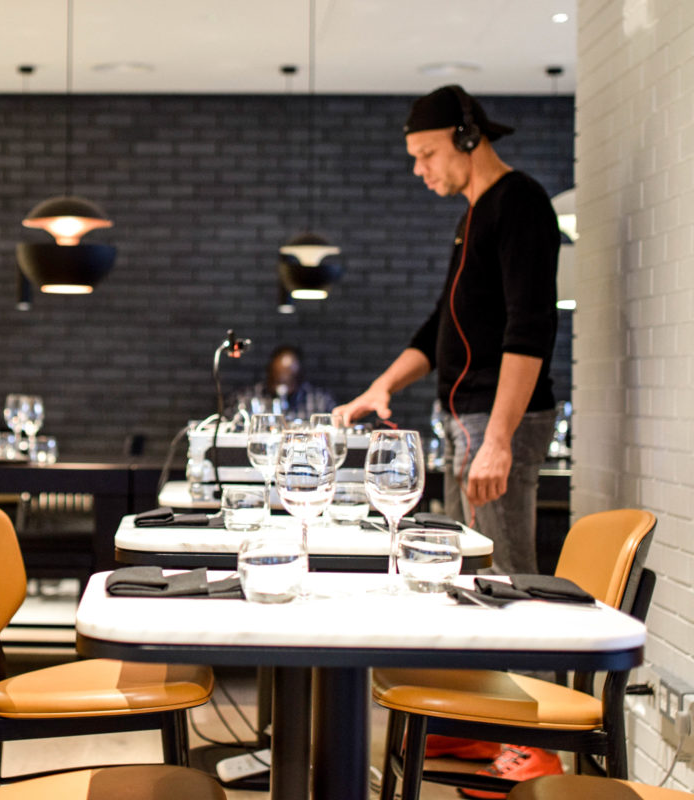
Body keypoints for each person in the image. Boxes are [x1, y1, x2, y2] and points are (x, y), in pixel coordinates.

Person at [333, 85, 560, 792]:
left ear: (466, 138)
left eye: (426, 153)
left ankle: (535, 740)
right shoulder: (473, 218)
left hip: (499, 422)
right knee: (467, 581)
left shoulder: (520, 204)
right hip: (469, 423)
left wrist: (500, 439)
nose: (419, 169)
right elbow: (440, 326)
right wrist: (380, 387)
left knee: (505, 580)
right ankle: (486, 719)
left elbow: (531, 327)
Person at [239, 345, 335, 423]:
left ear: (299, 376)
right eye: (277, 379)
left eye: (289, 379)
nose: (282, 388)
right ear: (269, 373)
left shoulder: (320, 400)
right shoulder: (249, 398)